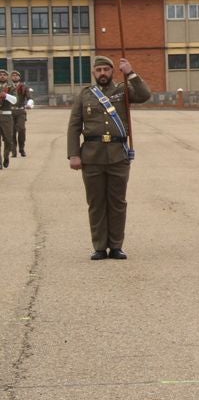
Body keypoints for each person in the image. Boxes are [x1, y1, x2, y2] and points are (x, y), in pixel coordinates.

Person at [66, 55, 151, 260]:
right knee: (96, 203)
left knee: (117, 202)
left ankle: (115, 246)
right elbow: (74, 126)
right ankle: (99, 246)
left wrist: (130, 72)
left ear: (112, 71)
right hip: (92, 156)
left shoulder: (123, 91)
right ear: (94, 73)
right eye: (99, 70)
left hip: (117, 155)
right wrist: (74, 155)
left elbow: (144, 95)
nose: (102, 73)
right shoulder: (85, 95)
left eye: (106, 69)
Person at [10, 70, 31, 158]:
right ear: (11, 78)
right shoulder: (8, 87)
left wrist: (29, 103)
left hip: (20, 111)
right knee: (11, 132)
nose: (15, 77)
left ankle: (21, 148)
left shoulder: (24, 87)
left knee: (21, 129)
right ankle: (13, 150)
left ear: (19, 77)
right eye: (13, 75)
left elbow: (29, 97)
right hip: (10, 112)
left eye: (16, 75)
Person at [0, 68, 15, 168]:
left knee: (8, 140)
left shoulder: (11, 88)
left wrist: (6, 95)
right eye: (0, 74)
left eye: (4, 75)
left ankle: (6, 156)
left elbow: (15, 100)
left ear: (7, 77)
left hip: (6, 116)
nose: (2, 76)